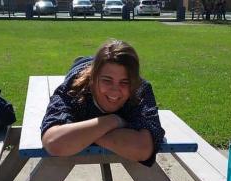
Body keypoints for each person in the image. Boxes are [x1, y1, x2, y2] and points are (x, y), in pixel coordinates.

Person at [41, 39, 165, 167]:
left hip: (96, 65)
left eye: (125, 82)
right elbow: (54, 143)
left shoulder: (140, 90)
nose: (115, 90)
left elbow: (143, 149)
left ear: (133, 83)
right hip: (81, 66)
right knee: (84, 62)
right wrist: (113, 121)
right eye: (107, 80)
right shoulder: (74, 89)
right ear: (93, 79)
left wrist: (85, 133)